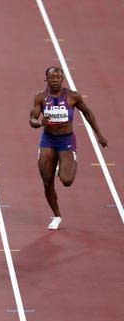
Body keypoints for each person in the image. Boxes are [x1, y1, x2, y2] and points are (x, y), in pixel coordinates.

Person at [29, 66, 108, 230]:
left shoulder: (73, 96)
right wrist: (39, 123)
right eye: (52, 77)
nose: (56, 79)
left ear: (62, 78)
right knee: (47, 181)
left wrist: (98, 134)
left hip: (66, 141)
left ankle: (64, 163)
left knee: (67, 181)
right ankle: (57, 215)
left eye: (58, 77)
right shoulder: (41, 97)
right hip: (48, 140)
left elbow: (87, 112)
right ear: (47, 79)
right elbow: (32, 118)